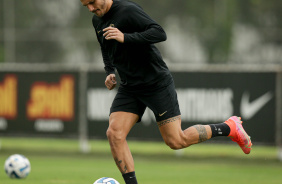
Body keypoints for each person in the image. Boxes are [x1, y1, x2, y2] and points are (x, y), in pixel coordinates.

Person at [80, 0, 253, 184]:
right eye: (86, 6)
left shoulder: (127, 10)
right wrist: (109, 71)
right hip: (130, 87)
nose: (91, 8)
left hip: (156, 83)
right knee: (114, 134)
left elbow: (159, 33)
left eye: (92, 2)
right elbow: (104, 46)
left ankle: (229, 127)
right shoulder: (97, 21)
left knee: (176, 141)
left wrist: (126, 37)